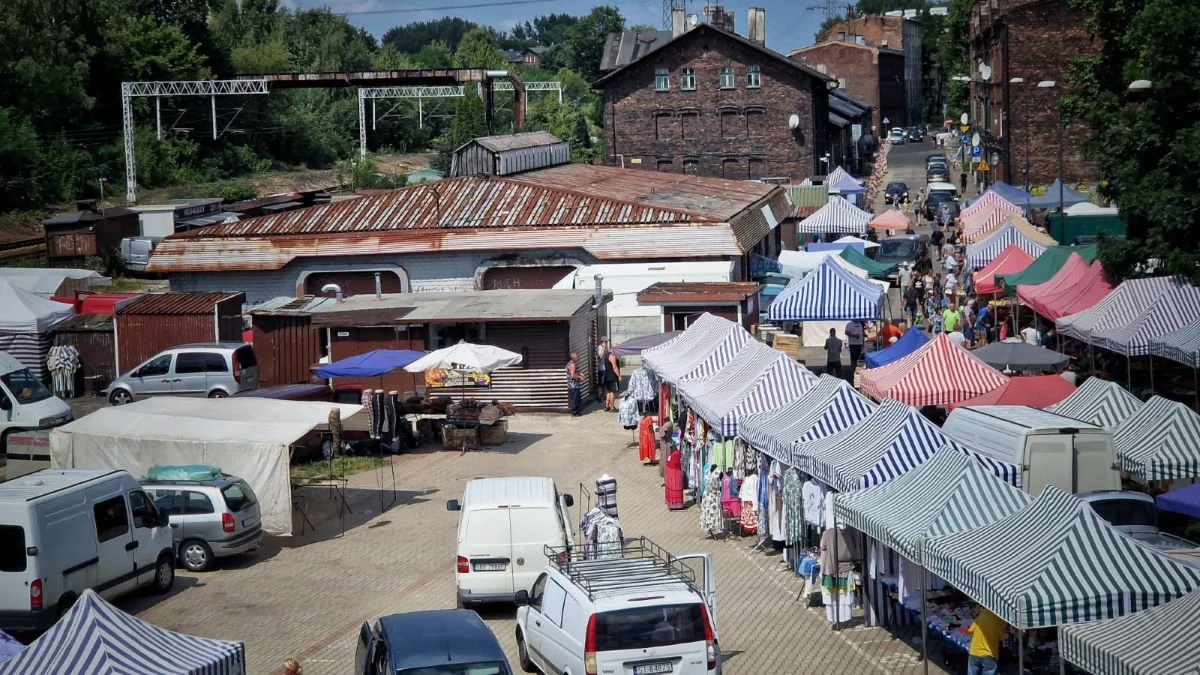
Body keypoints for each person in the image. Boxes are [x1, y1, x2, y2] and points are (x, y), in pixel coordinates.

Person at [967, 605, 1007, 675]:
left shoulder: (983, 614)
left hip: (974, 651)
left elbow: (970, 630)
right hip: (989, 653)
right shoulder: (999, 619)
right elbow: (1004, 638)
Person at [601, 345, 621, 412]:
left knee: (608, 392)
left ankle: (606, 407)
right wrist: (619, 376)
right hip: (612, 377)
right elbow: (614, 367)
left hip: (607, 376)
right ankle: (612, 408)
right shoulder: (613, 356)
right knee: (612, 392)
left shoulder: (607, 354)